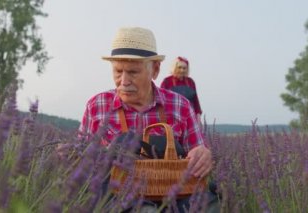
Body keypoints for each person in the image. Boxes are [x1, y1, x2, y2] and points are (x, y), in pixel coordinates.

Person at [78, 27, 215, 212]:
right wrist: (70, 155)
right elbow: (81, 161)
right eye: (118, 71)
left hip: (173, 198)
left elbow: (197, 151)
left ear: (155, 70)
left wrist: (202, 154)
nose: (123, 81)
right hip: (116, 202)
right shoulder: (97, 105)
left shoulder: (180, 106)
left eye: (133, 72)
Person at [160, 56, 203, 123]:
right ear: (174, 68)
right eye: (179, 67)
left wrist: (198, 115)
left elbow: (196, 101)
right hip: (173, 117)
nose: (182, 70)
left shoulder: (190, 82)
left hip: (190, 116)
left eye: (184, 68)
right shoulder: (167, 81)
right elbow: (161, 100)